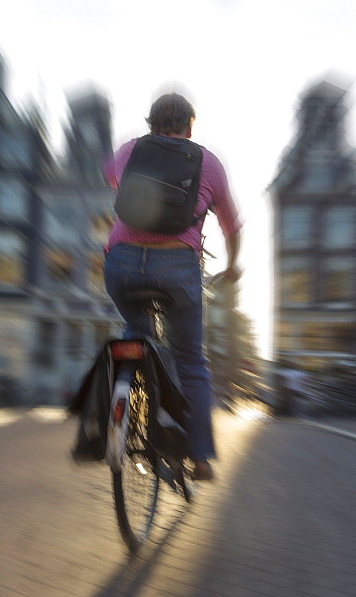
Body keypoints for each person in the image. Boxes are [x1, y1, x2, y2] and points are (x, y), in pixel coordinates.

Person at [102, 92, 242, 482]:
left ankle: (120, 405)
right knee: (190, 359)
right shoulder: (207, 162)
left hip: (122, 265)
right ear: (190, 127)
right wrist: (231, 266)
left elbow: (109, 175)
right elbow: (231, 224)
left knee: (137, 332)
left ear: (150, 124)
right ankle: (199, 458)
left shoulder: (132, 149)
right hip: (178, 269)